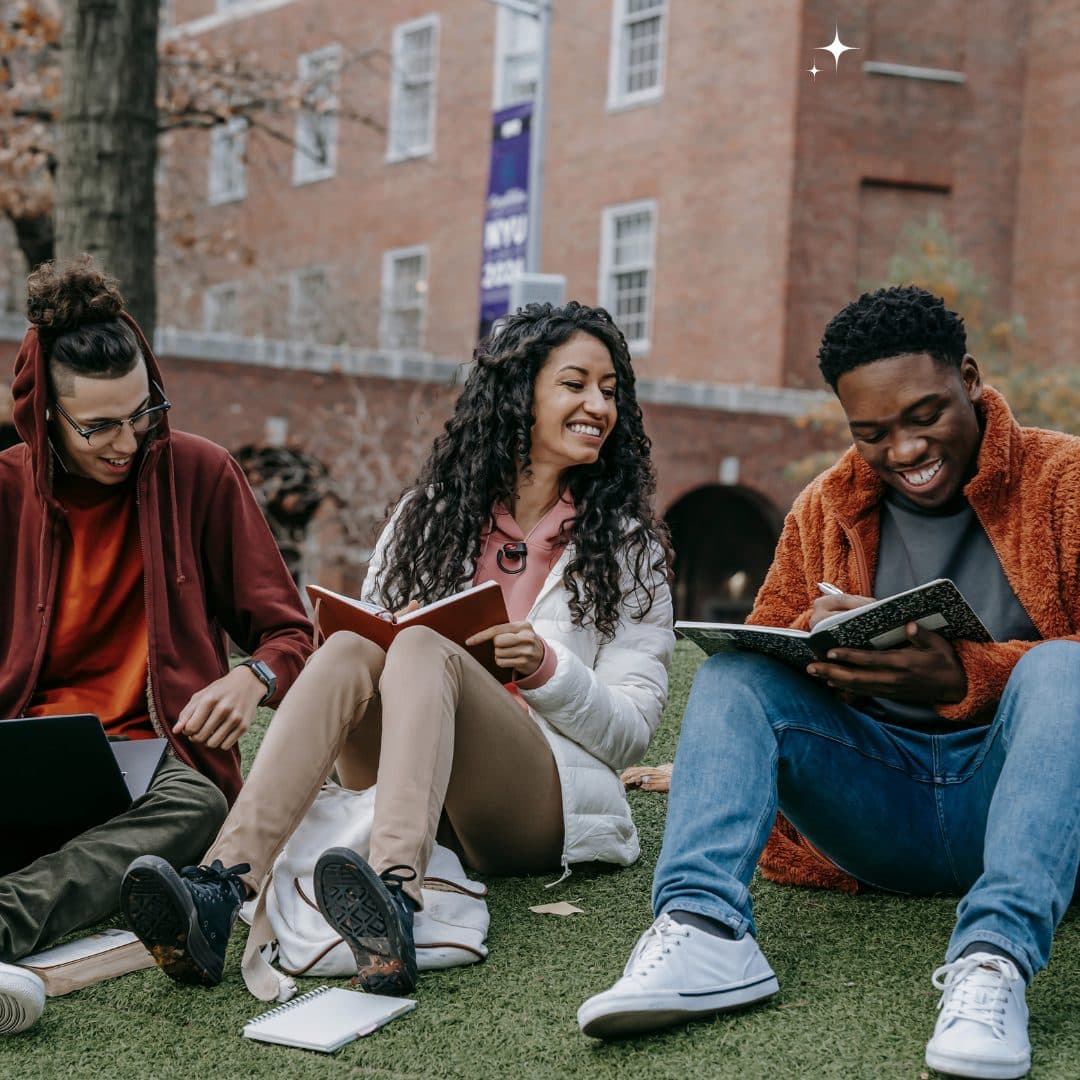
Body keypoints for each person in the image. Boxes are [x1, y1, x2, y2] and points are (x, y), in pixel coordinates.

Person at [577, 286, 1080, 1080]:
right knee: (738, 671)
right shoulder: (825, 507)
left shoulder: (1065, 480)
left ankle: (994, 962)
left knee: (1066, 668)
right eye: (872, 432)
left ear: (972, 380)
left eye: (925, 416)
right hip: (875, 811)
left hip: (1019, 809)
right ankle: (702, 931)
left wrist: (966, 675)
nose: (905, 450)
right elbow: (774, 650)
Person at [121, 301, 675, 997]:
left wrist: (544, 667)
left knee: (421, 650)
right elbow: (368, 651)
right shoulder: (427, 518)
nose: (598, 404)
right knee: (357, 645)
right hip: (402, 781)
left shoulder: (627, 547)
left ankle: (393, 897)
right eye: (575, 384)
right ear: (519, 394)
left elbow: (629, 733)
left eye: (609, 389)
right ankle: (220, 886)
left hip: (533, 803)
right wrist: (384, 628)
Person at [0, 257, 312, 1034]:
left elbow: (290, 632)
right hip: (22, 753)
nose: (128, 441)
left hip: (159, 761)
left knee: (199, 807)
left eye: (141, 413)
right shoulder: (4, 491)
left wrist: (252, 681)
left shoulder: (201, 473)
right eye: (98, 425)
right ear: (44, 417)